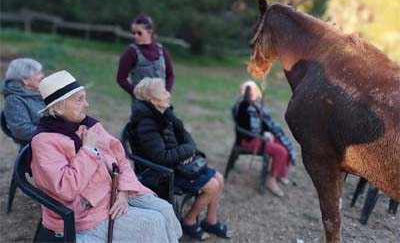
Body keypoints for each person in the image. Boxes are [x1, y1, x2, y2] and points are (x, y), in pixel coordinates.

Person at [30, 70, 182, 243]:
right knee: (153, 222)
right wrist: (87, 151)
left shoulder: (89, 126)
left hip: (115, 192)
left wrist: (123, 191)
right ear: (58, 107)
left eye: (85, 98)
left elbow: (121, 159)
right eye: (79, 100)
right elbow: (66, 188)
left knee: (165, 209)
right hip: (86, 213)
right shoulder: (44, 141)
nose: (86, 105)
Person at [130, 77, 232, 241]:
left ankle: (210, 221)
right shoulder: (147, 124)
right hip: (162, 174)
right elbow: (161, 157)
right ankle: (189, 221)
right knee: (212, 185)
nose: (168, 93)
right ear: (152, 99)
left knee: (219, 177)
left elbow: (187, 137)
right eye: (163, 91)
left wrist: (188, 151)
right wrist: (186, 152)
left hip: (177, 164)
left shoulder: (165, 113)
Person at [233, 80, 296, 197]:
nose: (251, 94)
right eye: (248, 91)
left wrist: (267, 132)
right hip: (249, 140)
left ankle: (279, 173)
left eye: (253, 91)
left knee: (283, 143)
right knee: (280, 151)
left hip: (259, 137)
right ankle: (270, 180)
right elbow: (246, 127)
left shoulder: (256, 106)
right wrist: (263, 135)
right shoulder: (243, 106)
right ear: (243, 92)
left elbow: (263, 124)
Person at [116, 14, 174, 104]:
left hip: (162, 103)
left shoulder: (161, 51)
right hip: (142, 106)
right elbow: (121, 79)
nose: (135, 36)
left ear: (150, 32)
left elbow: (170, 75)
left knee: (173, 119)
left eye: (139, 33)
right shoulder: (131, 52)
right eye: (133, 33)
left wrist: (166, 93)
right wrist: (138, 94)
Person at [2, 58, 45, 143]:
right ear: (25, 80)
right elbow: (22, 131)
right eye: (38, 73)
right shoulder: (14, 100)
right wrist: (54, 130)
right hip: (36, 146)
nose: (42, 76)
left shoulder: (39, 92)